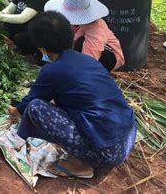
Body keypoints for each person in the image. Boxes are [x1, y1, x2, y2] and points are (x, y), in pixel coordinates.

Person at [8, 11, 136, 178]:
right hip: (128, 137)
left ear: (42, 49)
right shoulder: (88, 60)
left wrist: (16, 111)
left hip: (107, 153)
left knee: (36, 108)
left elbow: (31, 101)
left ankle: (81, 165)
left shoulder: (52, 70)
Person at [45, 0, 125, 71]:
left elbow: (90, 57)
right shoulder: (65, 22)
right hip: (76, 54)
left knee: (80, 42)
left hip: (105, 56)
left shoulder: (96, 26)